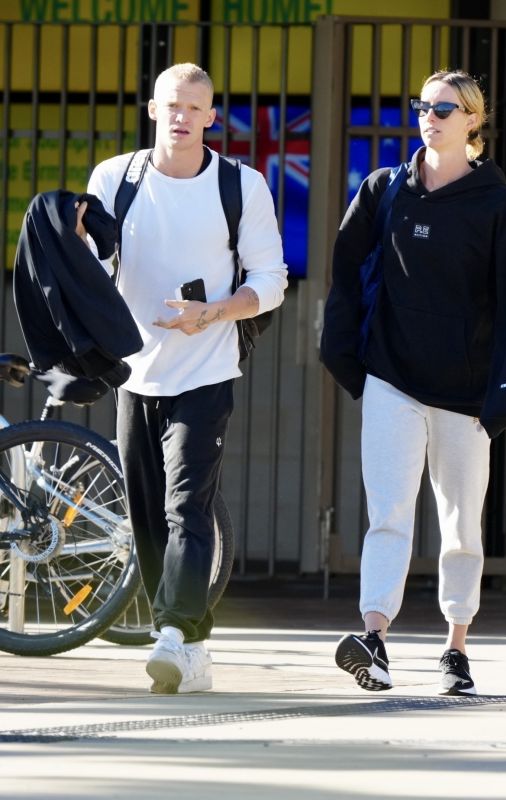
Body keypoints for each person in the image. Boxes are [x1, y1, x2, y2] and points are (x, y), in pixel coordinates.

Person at [78, 63, 287, 694]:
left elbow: (271, 282)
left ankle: (169, 630)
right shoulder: (116, 178)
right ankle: (193, 648)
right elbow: (94, 269)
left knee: (186, 505)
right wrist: (78, 242)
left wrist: (214, 313)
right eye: (171, 105)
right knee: (145, 517)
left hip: (208, 369)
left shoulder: (239, 185)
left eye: (194, 107)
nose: (181, 116)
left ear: (211, 117)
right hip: (136, 372)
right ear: (151, 109)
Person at [324, 70, 506, 695]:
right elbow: (343, 269)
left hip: (465, 394)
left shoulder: (497, 205)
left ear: (474, 120)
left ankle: (455, 647)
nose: (431, 116)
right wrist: (343, 353)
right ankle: (375, 637)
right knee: (387, 514)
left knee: (461, 523)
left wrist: (503, 394)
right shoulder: (386, 189)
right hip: (393, 378)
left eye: (446, 107)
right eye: (423, 105)